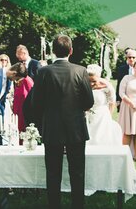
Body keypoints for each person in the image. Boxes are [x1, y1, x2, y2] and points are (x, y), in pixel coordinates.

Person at [22, 35, 93, 209]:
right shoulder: (80, 70)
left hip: (52, 127)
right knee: (77, 172)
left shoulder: (44, 72)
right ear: (71, 51)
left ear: (53, 51)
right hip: (76, 127)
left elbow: (35, 102)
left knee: (53, 173)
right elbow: (89, 102)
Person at [84, 64, 117, 146]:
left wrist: (109, 116)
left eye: (94, 81)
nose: (91, 83)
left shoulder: (106, 86)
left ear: (99, 78)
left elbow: (112, 102)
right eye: (89, 81)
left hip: (102, 116)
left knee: (101, 138)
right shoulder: (83, 84)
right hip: (88, 115)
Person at [8, 62, 34, 133]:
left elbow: (32, 96)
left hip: (25, 114)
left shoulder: (27, 80)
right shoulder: (18, 81)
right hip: (18, 113)